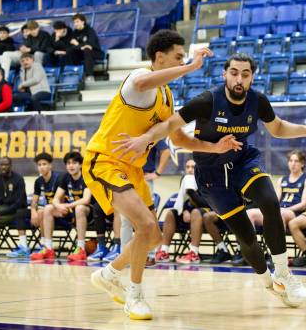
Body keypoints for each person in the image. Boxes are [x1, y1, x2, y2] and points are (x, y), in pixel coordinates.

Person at [115, 52, 306, 309]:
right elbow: (171, 124)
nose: (239, 79)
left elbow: (276, 127)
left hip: (243, 161)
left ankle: (283, 273)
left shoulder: (257, 101)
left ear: (252, 77)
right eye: (234, 73)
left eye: (245, 74)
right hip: (210, 174)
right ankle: (269, 283)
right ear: (225, 74)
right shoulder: (207, 101)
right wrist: (146, 138)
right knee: (246, 237)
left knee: (268, 200)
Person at [83, 30, 236, 320]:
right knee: (143, 225)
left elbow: (179, 139)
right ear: (159, 57)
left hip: (132, 169)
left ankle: (109, 273)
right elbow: (143, 81)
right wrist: (191, 67)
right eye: (178, 57)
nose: (183, 61)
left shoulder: (166, 96)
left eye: (184, 59)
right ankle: (135, 295)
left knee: (153, 236)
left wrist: (215, 147)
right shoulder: (138, 79)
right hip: (104, 160)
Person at [30, 152, 92, 261]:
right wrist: (58, 206)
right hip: (70, 211)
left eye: (74, 163)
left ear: (81, 165)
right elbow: (56, 199)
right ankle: (48, 248)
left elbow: (86, 200)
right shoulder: (65, 177)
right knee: (48, 208)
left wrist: (67, 205)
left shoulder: (86, 176)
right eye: (68, 163)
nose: (71, 166)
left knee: (80, 208)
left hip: (88, 212)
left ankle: (81, 249)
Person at [7, 153, 64, 258]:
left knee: (43, 211)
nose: (41, 167)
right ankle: (24, 246)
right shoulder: (38, 181)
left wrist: (39, 211)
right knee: (20, 212)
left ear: (50, 165)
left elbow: (61, 200)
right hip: (47, 211)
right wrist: (33, 212)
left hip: (59, 211)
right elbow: (34, 201)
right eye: (39, 165)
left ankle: (44, 246)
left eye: (44, 164)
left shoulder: (59, 178)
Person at [247, 150, 306, 228]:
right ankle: (252, 240)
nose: (293, 164)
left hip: (295, 213)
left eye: (296, 161)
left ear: (302, 164)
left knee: (280, 215)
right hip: (280, 210)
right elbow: (276, 201)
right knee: (249, 213)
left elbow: (303, 204)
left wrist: (286, 209)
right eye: (290, 161)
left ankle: (278, 240)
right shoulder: (281, 180)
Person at [68, 13, 103, 82]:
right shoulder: (75, 32)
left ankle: (89, 76)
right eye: (74, 22)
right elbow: (72, 45)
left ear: (83, 21)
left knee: (87, 50)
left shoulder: (90, 30)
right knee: (70, 51)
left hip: (95, 52)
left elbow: (90, 44)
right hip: (81, 52)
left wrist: (77, 44)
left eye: (77, 22)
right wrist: (81, 47)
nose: (75, 24)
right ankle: (73, 74)